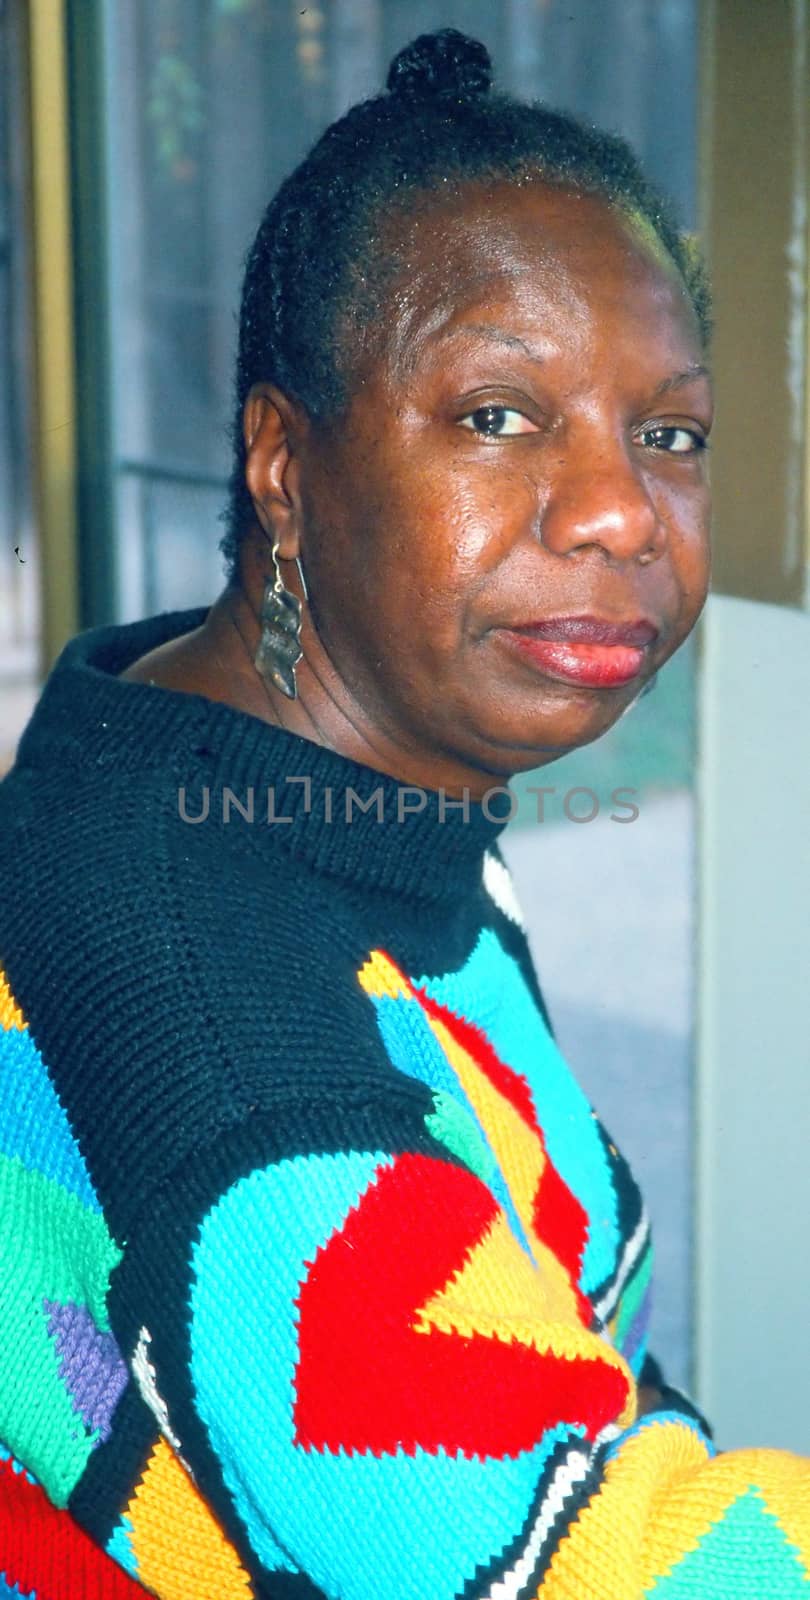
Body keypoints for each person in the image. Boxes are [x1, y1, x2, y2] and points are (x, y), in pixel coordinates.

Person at [0, 27, 807, 1600]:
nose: (620, 512)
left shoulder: (253, 763)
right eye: (497, 414)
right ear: (283, 463)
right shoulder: (222, 1012)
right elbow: (576, 1564)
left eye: (670, 434)